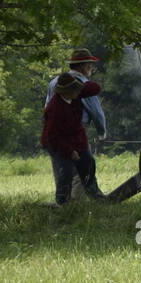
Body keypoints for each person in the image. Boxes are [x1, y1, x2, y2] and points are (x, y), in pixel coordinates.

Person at [45, 48, 106, 199]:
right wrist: (101, 131)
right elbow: (96, 111)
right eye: (90, 65)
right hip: (73, 131)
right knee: (80, 166)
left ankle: (66, 199)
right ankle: (77, 199)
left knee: (63, 168)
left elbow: (47, 108)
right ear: (83, 66)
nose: (91, 68)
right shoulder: (81, 84)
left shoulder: (54, 82)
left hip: (59, 131)